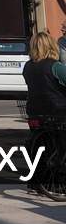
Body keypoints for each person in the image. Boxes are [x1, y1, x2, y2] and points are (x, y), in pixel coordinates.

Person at [21, 32, 66, 200]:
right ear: (51, 46)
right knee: (60, 148)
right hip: (59, 112)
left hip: (35, 112)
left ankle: (35, 184)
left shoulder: (27, 67)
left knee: (40, 148)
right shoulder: (56, 66)